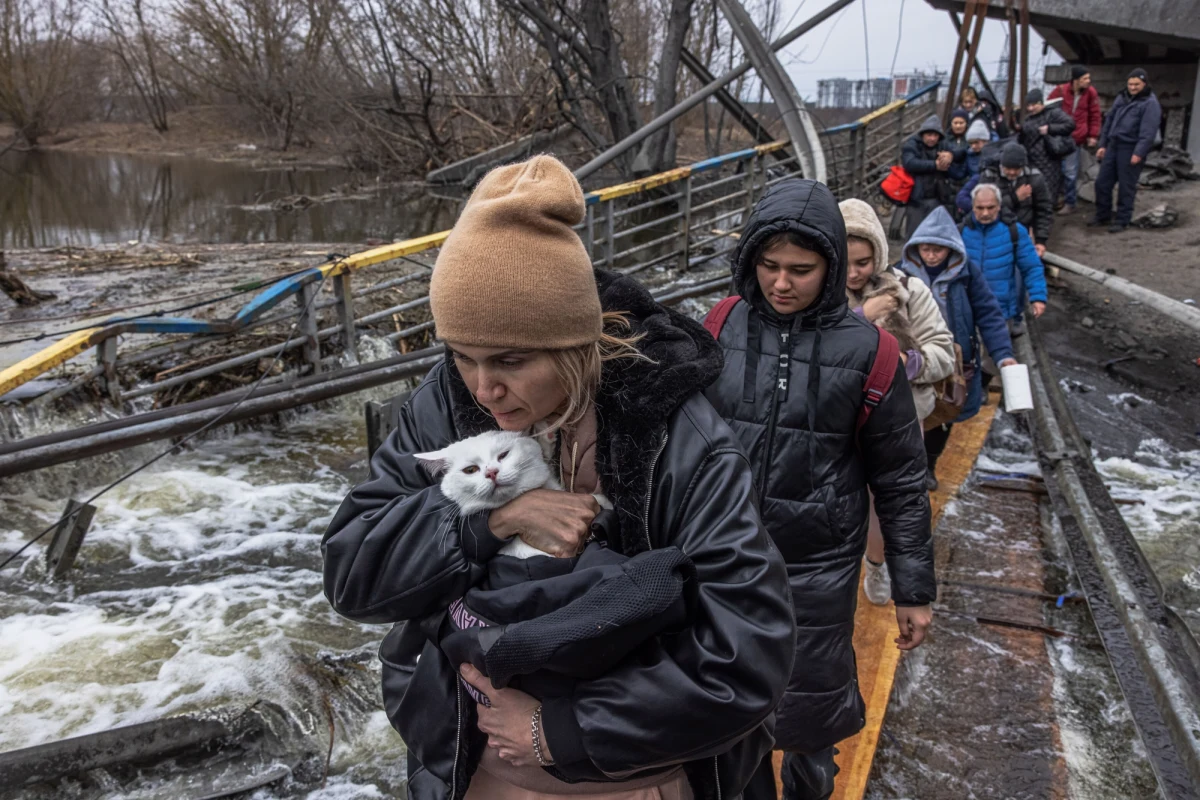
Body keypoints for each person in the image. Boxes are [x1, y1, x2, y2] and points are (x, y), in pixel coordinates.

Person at [321, 155, 797, 800]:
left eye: (512, 362)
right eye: (462, 357)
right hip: (469, 765)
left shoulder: (680, 437)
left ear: (575, 346)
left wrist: (561, 728)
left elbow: (747, 654)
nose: (485, 389)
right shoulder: (445, 405)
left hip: (629, 779)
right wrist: (489, 523)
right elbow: (353, 577)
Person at [703, 179, 936, 800]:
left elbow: (901, 479)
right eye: (769, 265)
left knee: (809, 711)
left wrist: (913, 589)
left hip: (818, 563)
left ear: (831, 267)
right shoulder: (721, 326)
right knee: (728, 711)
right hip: (722, 556)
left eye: (801, 270)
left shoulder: (872, 352)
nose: (781, 283)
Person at [841, 197, 955, 604]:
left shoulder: (909, 291)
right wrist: (862, 317)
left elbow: (944, 351)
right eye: (845, 261)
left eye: (864, 262)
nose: (854, 274)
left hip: (899, 419)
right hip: (836, 420)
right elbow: (814, 354)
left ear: (879, 255)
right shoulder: (816, 294)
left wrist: (906, 364)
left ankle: (875, 565)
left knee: (882, 501)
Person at [893, 206, 1016, 485]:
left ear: (950, 249)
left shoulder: (966, 274)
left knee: (944, 412)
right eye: (926, 249)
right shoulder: (900, 275)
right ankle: (907, 465)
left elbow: (988, 313)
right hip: (913, 356)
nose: (932, 255)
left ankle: (929, 465)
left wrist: (1003, 355)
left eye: (938, 250)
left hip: (954, 358)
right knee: (910, 411)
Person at [961, 183, 1048, 327]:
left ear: (999, 206)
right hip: (968, 311)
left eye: (990, 207)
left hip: (1001, 311)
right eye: (980, 208)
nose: (985, 213)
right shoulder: (960, 232)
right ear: (972, 206)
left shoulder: (1014, 231)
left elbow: (1031, 266)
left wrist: (1038, 297)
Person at [1092, 68, 1163, 233]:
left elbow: (1148, 132)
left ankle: (1122, 220)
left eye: (1136, 84)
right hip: (1113, 145)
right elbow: (1109, 120)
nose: (1132, 87)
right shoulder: (1121, 97)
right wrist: (1103, 144)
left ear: (1144, 83)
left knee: (1126, 186)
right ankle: (1103, 215)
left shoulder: (1150, 103)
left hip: (1130, 148)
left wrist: (1139, 152)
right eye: (1130, 84)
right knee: (1102, 182)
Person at [956, 143, 1054, 255]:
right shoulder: (989, 176)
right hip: (995, 231)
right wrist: (1015, 198)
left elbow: (1044, 209)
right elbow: (987, 208)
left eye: (1016, 169)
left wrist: (1041, 240)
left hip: (1023, 230)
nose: (1012, 172)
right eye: (1008, 168)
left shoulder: (1035, 178)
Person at [1048, 65, 1101, 214]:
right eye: (1085, 78)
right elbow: (1048, 109)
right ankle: (1055, 199)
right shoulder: (1060, 91)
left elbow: (1095, 115)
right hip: (1058, 136)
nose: (1088, 81)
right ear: (1076, 80)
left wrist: (1092, 135)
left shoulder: (1090, 93)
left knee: (1070, 172)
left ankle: (1070, 202)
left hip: (1075, 138)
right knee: (1055, 169)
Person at [901, 114, 966, 236]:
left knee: (934, 236)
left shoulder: (943, 144)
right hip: (916, 199)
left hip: (938, 198)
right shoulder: (912, 144)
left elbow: (961, 152)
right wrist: (934, 165)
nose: (932, 138)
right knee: (914, 236)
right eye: (929, 135)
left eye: (935, 135)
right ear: (922, 134)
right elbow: (909, 163)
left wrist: (950, 156)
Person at [1019, 89, 1076, 217]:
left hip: (1050, 162)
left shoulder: (1053, 113)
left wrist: (1050, 128)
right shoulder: (1028, 120)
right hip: (1032, 162)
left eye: (1034, 105)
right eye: (1029, 105)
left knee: (1047, 196)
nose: (1031, 108)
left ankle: (1045, 226)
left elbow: (1070, 124)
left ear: (1041, 103)